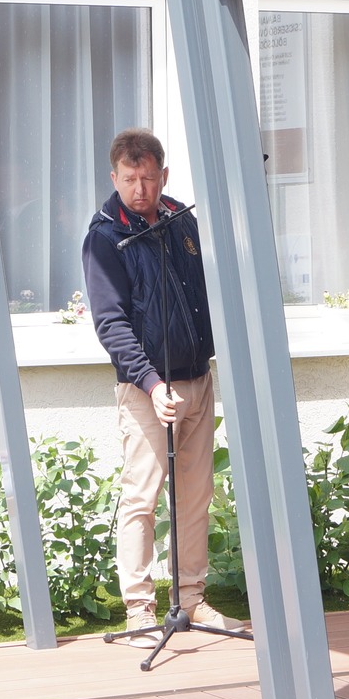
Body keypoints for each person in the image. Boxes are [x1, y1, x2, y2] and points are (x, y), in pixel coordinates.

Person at [82, 128, 248, 646]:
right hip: (146, 390)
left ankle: (192, 600)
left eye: (149, 178)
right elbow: (111, 324)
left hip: (197, 379)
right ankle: (139, 611)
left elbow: (208, 293)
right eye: (130, 179)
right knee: (143, 498)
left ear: (164, 176)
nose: (141, 189)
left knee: (196, 497)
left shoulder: (181, 220)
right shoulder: (105, 237)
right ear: (114, 177)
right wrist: (153, 384)